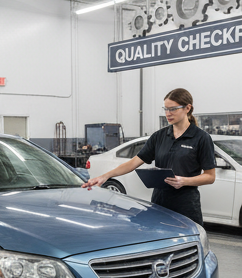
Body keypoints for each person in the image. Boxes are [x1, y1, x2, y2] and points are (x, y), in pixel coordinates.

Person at [82, 87, 216, 225]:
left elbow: (210, 176)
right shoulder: (159, 136)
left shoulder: (201, 138)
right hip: (159, 203)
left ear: (188, 108)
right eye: (165, 109)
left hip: (186, 206)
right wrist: (105, 176)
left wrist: (184, 181)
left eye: (173, 109)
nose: (168, 113)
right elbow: (133, 163)